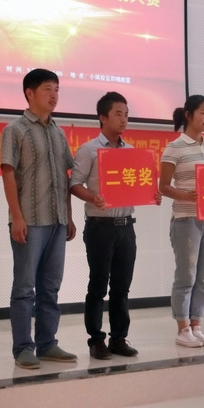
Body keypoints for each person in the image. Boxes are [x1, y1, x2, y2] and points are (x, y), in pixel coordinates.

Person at [70, 91, 161, 360]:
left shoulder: (131, 152)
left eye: (127, 114)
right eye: (118, 114)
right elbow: (74, 184)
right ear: (103, 117)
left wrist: (152, 194)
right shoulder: (89, 150)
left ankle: (119, 338)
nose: (124, 119)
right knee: (98, 285)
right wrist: (92, 197)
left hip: (126, 227)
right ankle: (96, 340)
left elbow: (138, 185)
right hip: (100, 227)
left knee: (122, 286)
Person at [0, 68, 77, 369]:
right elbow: (8, 174)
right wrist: (16, 217)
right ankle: (23, 348)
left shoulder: (58, 132)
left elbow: (66, 177)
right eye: (48, 89)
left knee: (51, 286)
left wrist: (69, 216)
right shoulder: (15, 130)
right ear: (29, 93)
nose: (54, 95)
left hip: (57, 221)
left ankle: (47, 344)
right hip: (29, 221)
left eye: (57, 89)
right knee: (24, 287)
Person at [159, 95, 204, 348]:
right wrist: (185, 195)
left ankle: (197, 326)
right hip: (186, 219)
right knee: (186, 275)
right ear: (188, 115)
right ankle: (183, 328)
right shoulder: (175, 147)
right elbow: (163, 186)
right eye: (203, 113)